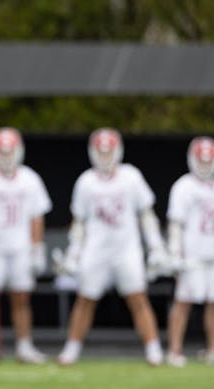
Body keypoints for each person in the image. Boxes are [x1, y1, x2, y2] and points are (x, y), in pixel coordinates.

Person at [56, 128, 167, 366]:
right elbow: (80, 223)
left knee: (137, 298)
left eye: (109, 152)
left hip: (127, 248)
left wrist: (156, 247)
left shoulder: (131, 177)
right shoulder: (86, 181)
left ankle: (153, 347)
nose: (105, 157)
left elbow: (146, 215)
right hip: (96, 249)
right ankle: (72, 348)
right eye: (101, 152)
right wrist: (73, 254)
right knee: (85, 299)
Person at [0, 127, 51, 364]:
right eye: (2, 153)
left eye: (10, 152)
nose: (6, 157)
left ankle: (24, 345)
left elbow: (37, 217)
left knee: (21, 297)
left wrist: (37, 249)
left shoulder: (30, 178)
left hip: (21, 247)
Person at [165, 137, 214, 367]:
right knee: (184, 302)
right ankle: (174, 350)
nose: (205, 166)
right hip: (192, 255)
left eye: (209, 162)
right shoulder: (183, 187)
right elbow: (175, 224)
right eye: (201, 161)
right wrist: (175, 253)